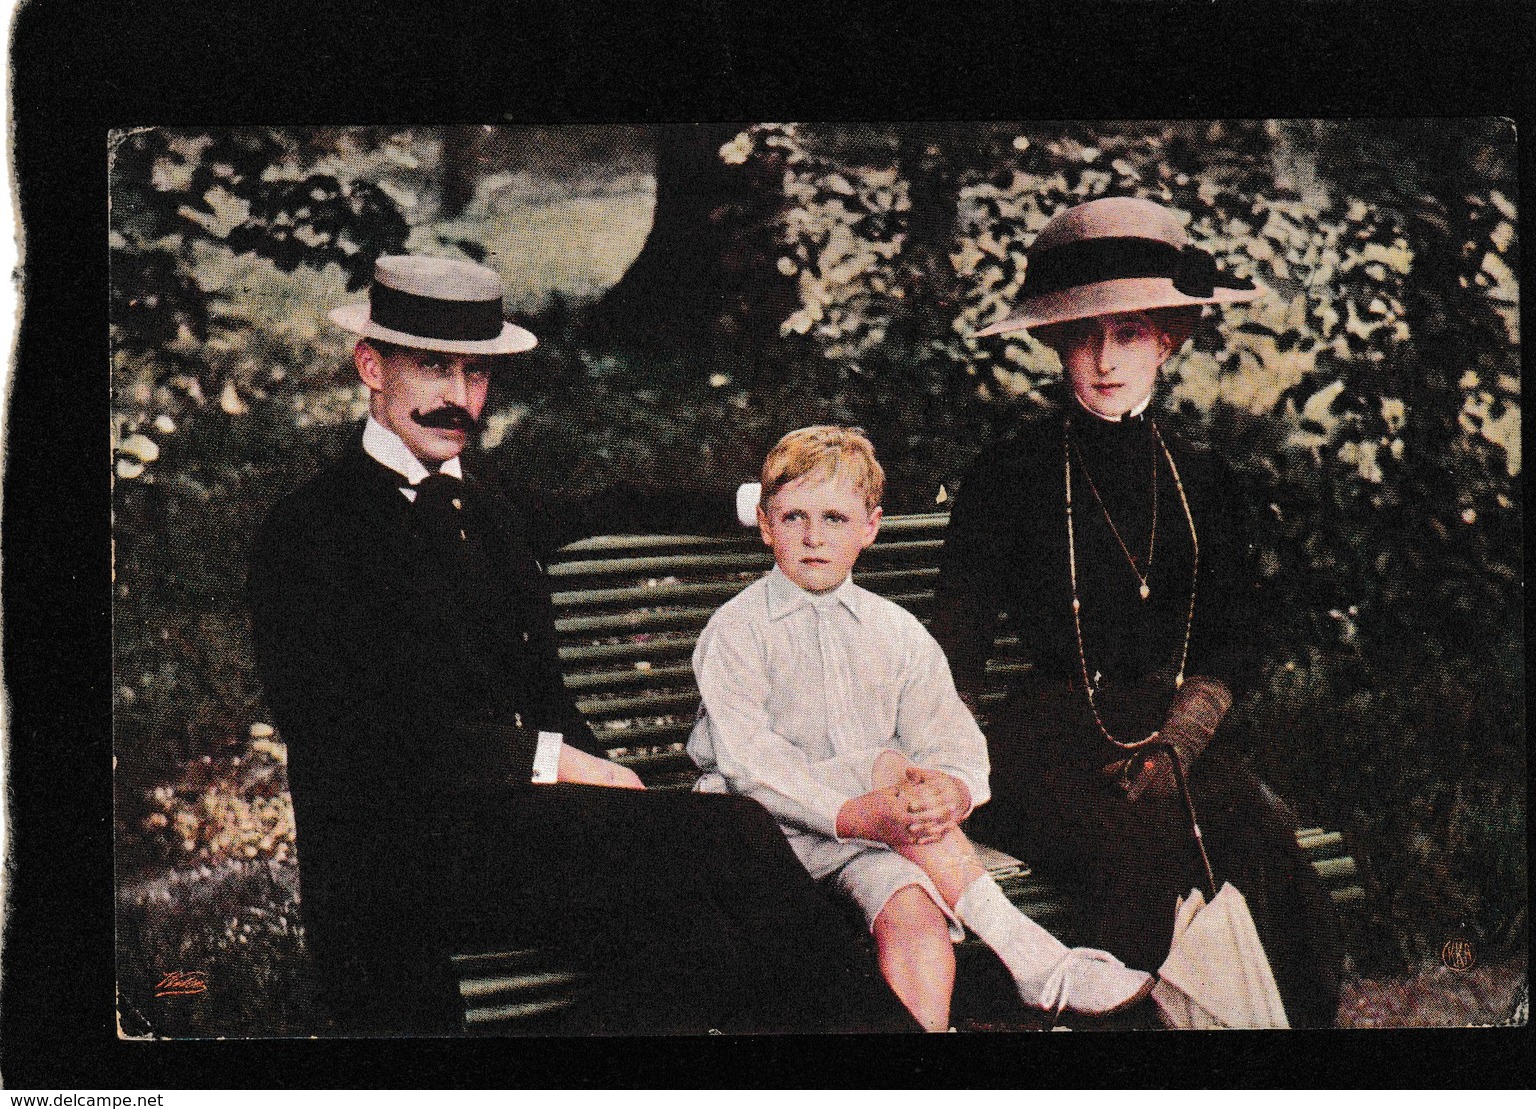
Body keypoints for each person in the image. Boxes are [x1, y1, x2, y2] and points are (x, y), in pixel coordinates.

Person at [247, 255, 920, 1035]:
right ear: (371, 365)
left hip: (531, 836)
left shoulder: (484, 499)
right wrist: (558, 761)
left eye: (477, 374)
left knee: (703, 945)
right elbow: (347, 734)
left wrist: (774, 502)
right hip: (401, 854)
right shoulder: (310, 531)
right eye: (433, 368)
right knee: (731, 832)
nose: (458, 398)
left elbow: (612, 502)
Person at [932, 197, 1346, 1027]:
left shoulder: (1202, 475)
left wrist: (1183, 735)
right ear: (1053, 343)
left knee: (1261, 842)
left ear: (1166, 338)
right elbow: (953, 646)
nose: (1104, 358)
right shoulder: (1007, 475)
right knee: (1136, 857)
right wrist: (946, 767)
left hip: (1170, 736)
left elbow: (1235, 638)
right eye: (1082, 335)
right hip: (1044, 745)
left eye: (1127, 334)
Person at [688, 426, 1155, 1031]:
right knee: (886, 768)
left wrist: (951, 789)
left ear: (870, 527)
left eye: (834, 517)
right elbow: (753, 765)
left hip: (876, 834)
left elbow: (952, 741)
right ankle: (1036, 958)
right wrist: (860, 809)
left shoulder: (895, 632)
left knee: (916, 916)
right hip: (762, 836)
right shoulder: (735, 631)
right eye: (793, 516)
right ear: (765, 522)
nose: (812, 536)